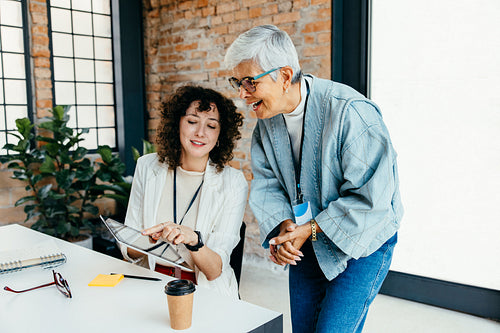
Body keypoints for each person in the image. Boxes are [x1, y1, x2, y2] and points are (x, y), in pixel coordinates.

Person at [224, 25, 403, 332]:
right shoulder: (266, 125)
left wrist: (309, 229)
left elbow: (373, 198)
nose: (242, 94)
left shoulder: (351, 112)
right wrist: (284, 230)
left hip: (364, 240)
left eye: (250, 82)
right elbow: (267, 184)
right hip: (305, 236)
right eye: (237, 82)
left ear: (283, 76)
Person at [121, 85, 247, 299]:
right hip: (150, 282)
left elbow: (215, 270)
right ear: (176, 123)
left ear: (220, 134)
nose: (200, 132)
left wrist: (194, 241)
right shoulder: (147, 166)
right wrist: (147, 242)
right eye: (192, 122)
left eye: (211, 126)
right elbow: (128, 250)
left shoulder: (234, 182)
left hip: (203, 290)